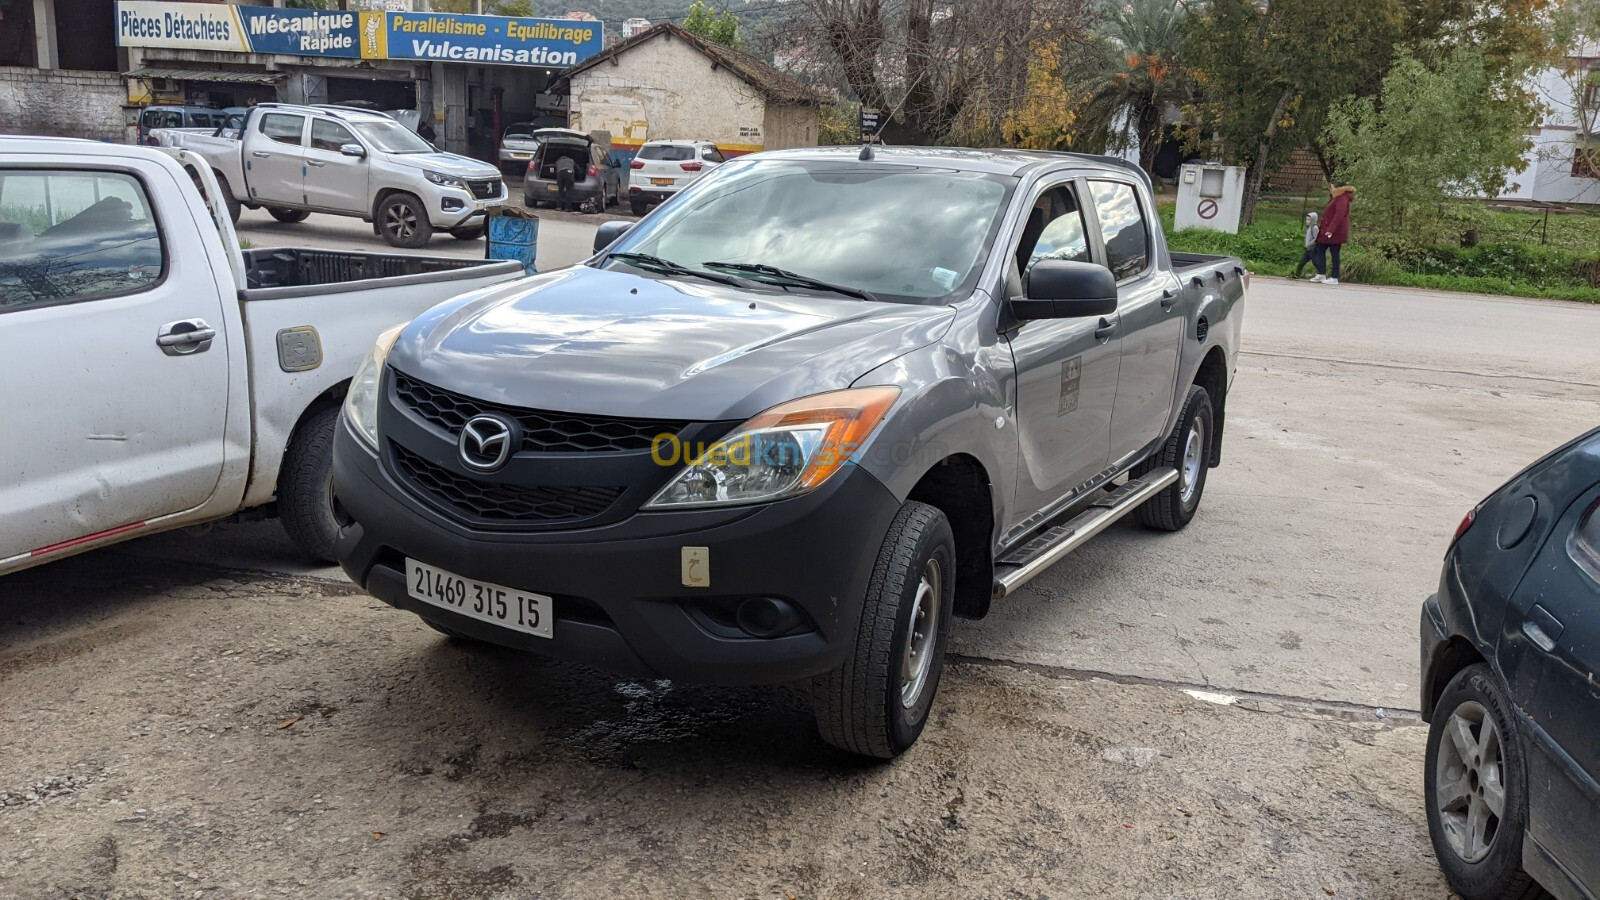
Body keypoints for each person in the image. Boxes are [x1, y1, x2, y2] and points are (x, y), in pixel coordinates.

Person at [1311, 182, 1355, 285]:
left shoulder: (1342, 199)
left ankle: (1334, 277)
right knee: (1321, 249)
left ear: (1339, 188)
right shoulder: (1337, 198)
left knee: (1334, 253)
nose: (1331, 189)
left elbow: (1338, 216)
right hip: (1329, 230)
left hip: (1335, 232)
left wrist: (1331, 229)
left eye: (1332, 187)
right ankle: (1322, 274)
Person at [1292, 211, 1318, 279]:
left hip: (1312, 249)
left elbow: (1316, 238)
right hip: (1308, 249)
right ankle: (1297, 274)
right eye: (1306, 219)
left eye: (1309, 220)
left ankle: (1321, 273)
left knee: (1316, 263)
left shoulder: (1314, 227)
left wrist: (1309, 244)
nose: (1307, 221)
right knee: (1301, 262)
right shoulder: (1308, 228)